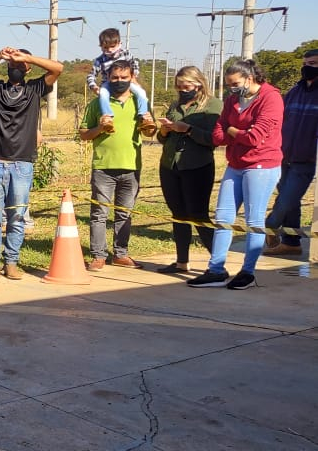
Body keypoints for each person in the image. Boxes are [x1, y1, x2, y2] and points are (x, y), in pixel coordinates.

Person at [0, 47, 63, 280]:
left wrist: (26, 57)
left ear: (28, 68)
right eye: (12, 64)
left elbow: (58, 69)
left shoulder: (34, 89)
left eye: (20, 66)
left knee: (17, 217)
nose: (16, 68)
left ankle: (11, 262)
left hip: (22, 165)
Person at [188, 59, 284, 290]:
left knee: (253, 220)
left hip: (261, 165)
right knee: (223, 217)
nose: (232, 88)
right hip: (236, 164)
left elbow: (255, 138)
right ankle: (216, 269)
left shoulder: (271, 99)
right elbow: (218, 133)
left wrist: (233, 130)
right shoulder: (232, 100)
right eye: (229, 84)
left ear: (249, 78)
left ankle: (248, 272)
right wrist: (236, 131)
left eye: (235, 83)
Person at [78, 60, 151, 271]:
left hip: (131, 167)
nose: (119, 81)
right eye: (115, 78)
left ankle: (121, 254)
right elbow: (83, 134)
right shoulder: (98, 104)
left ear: (131, 78)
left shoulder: (139, 102)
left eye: (124, 78)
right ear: (108, 78)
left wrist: (148, 125)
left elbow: (149, 132)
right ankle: (98, 256)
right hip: (103, 167)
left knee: (124, 213)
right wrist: (99, 128)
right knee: (99, 213)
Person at [155, 67, 222, 273]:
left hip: (197, 166)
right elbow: (160, 139)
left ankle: (218, 265)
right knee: (178, 214)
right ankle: (181, 262)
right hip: (170, 165)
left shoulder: (213, 106)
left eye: (187, 86)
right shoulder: (175, 105)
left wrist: (189, 129)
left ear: (199, 83)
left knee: (198, 214)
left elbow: (214, 139)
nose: (183, 90)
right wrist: (164, 130)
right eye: (180, 86)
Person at [263, 49, 318, 256]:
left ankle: (270, 225)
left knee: (287, 200)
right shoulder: (295, 92)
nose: (307, 67)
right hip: (283, 155)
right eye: (306, 63)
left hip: (307, 159)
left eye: (313, 63)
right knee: (290, 202)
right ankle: (291, 243)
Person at [87, 28, 150, 125]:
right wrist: (94, 87)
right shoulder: (100, 60)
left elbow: (135, 64)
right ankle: (108, 117)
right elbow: (91, 75)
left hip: (126, 81)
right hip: (108, 83)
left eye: (112, 46)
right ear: (101, 46)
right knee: (103, 94)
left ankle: (143, 116)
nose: (109, 50)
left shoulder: (126, 53)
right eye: (105, 48)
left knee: (141, 93)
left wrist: (133, 77)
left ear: (119, 43)